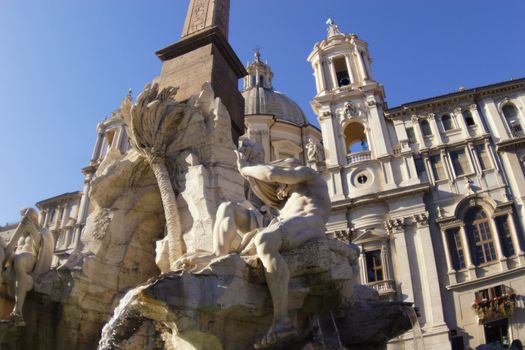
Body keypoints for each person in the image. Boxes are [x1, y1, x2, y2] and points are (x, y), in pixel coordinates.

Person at [234, 151, 331, 349]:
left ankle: (282, 320)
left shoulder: (308, 175)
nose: (280, 186)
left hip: (311, 223)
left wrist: (244, 169)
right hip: (293, 226)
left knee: (265, 238)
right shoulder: (286, 204)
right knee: (253, 242)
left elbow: (269, 173)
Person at [0, 208, 53, 326]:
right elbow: (10, 248)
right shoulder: (20, 233)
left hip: (30, 259)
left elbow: (43, 246)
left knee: (20, 260)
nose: (23, 218)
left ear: (35, 218)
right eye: (22, 216)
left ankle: (17, 312)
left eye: (26, 215)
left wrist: (32, 230)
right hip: (16, 256)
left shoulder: (43, 230)